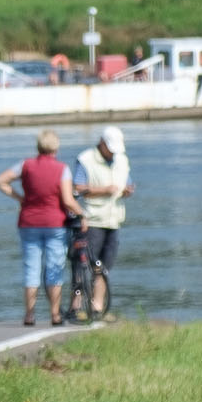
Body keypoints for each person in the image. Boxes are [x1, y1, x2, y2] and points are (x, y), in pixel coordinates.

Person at [0, 129, 77, 326]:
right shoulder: (62, 169)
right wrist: (82, 213)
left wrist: (20, 198)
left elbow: (1, 181)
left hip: (29, 223)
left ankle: (29, 315)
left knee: (31, 268)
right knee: (54, 269)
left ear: (38, 146)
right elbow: (67, 200)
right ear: (56, 148)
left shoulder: (26, 165)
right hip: (55, 223)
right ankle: (55, 314)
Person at [69, 124, 132, 321]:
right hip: (92, 220)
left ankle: (97, 308)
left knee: (105, 267)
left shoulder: (122, 160)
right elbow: (77, 188)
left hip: (113, 220)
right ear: (102, 143)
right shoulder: (86, 159)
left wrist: (127, 190)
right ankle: (76, 307)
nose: (113, 153)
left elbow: (127, 182)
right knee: (82, 266)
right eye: (110, 149)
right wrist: (104, 190)